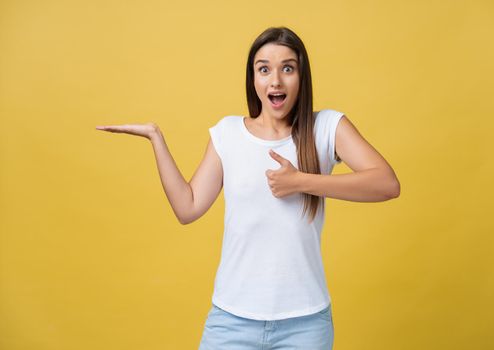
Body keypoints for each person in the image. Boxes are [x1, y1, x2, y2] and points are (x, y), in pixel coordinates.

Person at [96, 26, 400, 350]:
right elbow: (188, 208)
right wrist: (156, 138)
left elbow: (386, 183)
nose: (276, 81)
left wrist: (302, 181)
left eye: (288, 68)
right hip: (232, 321)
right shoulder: (227, 134)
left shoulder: (326, 127)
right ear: (253, 78)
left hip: (305, 325)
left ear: (301, 77)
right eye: (264, 69)